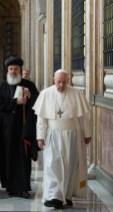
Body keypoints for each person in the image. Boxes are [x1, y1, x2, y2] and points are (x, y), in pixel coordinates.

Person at [33, 69, 92, 209]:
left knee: (70, 165)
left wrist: (87, 133)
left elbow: (84, 116)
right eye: (58, 82)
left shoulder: (76, 93)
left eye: (64, 82)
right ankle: (53, 196)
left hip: (73, 135)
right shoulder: (46, 94)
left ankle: (66, 196)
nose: (61, 85)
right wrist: (40, 137)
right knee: (52, 164)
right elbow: (41, 119)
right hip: (53, 134)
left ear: (68, 81)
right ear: (54, 79)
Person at [0, 56, 39, 198]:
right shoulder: (1, 85)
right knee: (9, 157)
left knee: (23, 156)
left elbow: (39, 103)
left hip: (24, 128)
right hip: (7, 129)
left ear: (20, 70)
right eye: (11, 69)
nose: (13, 71)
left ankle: (24, 187)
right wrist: (16, 102)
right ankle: (11, 187)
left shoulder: (29, 85)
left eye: (16, 69)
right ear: (7, 71)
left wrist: (30, 96)